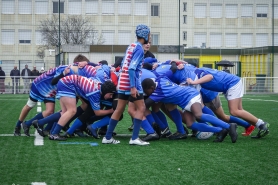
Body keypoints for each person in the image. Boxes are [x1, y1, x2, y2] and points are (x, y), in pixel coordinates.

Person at [142, 77, 238, 143]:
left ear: (151, 88)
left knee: (198, 115)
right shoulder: (160, 79)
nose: (147, 94)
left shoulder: (159, 91)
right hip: (185, 100)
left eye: (147, 92)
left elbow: (145, 105)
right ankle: (220, 130)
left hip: (191, 96)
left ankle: (229, 126)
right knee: (190, 124)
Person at [186, 67, 270, 138]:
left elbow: (210, 76)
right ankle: (256, 126)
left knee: (234, 111)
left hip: (231, 84)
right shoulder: (195, 71)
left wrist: (194, 82)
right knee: (239, 110)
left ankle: (261, 124)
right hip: (231, 84)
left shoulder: (196, 73)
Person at [102, 24, 151, 145]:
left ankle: (107, 137)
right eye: (149, 35)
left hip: (122, 81)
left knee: (119, 109)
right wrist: (133, 87)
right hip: (131, 82)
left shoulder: (131, 46)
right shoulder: (139, 48)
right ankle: (134, 138)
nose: (149, 37)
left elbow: (124, 64)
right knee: (141, 108)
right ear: (145, 35)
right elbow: (132, 68)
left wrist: (121, 82)